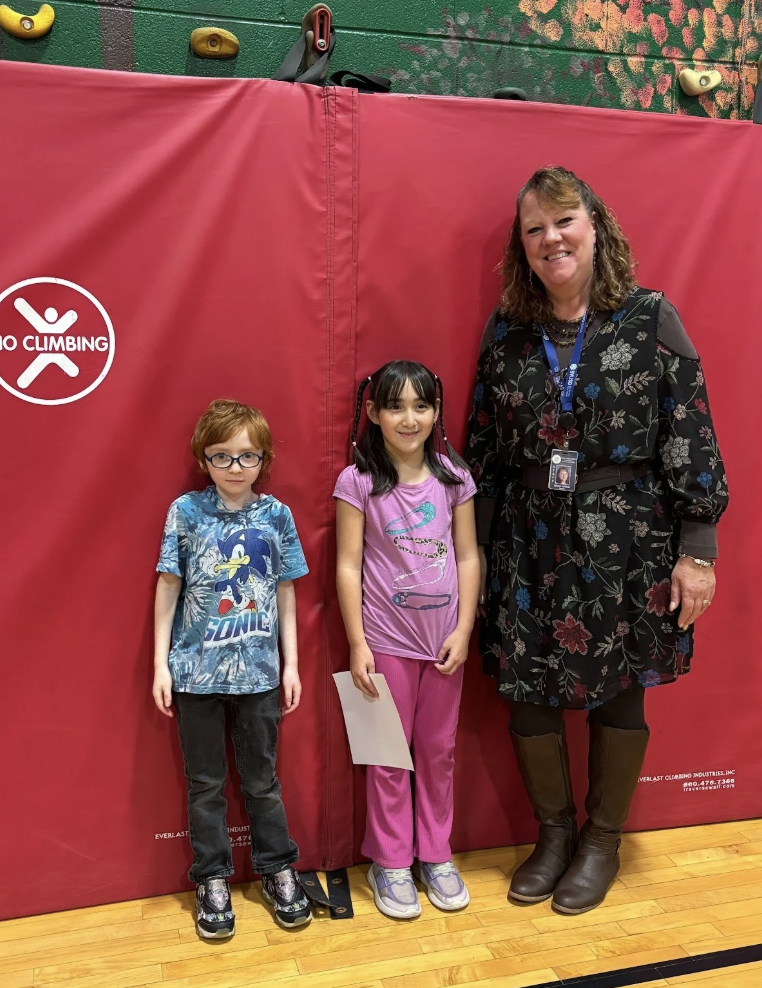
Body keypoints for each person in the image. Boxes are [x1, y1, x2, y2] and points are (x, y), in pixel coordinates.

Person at [466, 167, 728, 915]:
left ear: (595, 227)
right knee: (527, 691)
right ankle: (554, 836)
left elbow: (691, 432)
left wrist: (698, 550)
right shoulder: (507, 331)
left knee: (619, 691)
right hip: (525, 537)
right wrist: (473, 554)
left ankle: (602, 841)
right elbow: (482, 448)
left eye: (564, 221)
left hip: (629, 537)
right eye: (535, 228)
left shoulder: (650, 317)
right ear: (521, 246)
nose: (551, 238)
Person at [152, 398, 312, 936]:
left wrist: (291, 665)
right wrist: (160, 664)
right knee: (205, 785)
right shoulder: (185, 512)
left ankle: (277, 868)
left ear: (264, 459)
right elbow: (168, 586)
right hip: (194, 674)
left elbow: (285, 591)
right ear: (204, 459)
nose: (235, 468)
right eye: (222, 456)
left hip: (259, 675)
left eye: (247, 456)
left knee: (262, 782)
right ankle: (212, 878)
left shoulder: (277, 516)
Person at [334, 361, 480, 919]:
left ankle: (436, 855)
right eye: (395, 406)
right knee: (387, 757)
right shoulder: (357, 482)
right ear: (373, 413)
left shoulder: (454, 479)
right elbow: (348, 565)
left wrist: (464, 629)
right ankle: (391, 861)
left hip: (444, 646)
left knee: (438, 753)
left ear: (436, 412)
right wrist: (358, 642)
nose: (409, 418)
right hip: (385, 644)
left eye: (421, 405)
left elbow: (467, 556)